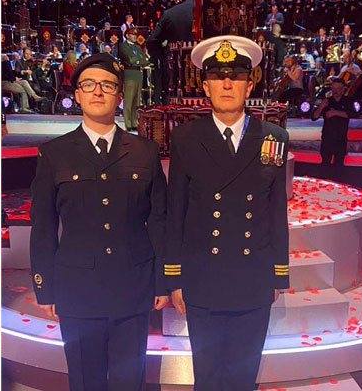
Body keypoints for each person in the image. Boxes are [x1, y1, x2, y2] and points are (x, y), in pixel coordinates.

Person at [30, 53, 168, 391]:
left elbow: (159, 221)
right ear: (77, 95)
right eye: (88, 84)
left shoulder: (145, 152)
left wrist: (162, 281)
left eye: (107, 85)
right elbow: (43, 225)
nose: (97, 91)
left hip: (132, 285)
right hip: (77, 288)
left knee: (129, 381)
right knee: (84, 380)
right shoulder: (54, 153)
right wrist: (45, 286)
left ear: (120, 95)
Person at [166, 36, 290, 390]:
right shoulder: (186, 138)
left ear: (249, 85)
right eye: (217, 77)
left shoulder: (274, 138)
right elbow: (177, 210)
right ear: (205, 86)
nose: (226, 84)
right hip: (203, 276)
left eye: (235, 77)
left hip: (253, 276)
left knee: (243, 377)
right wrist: (174, 276)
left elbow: (276, 211)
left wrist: (278, 274)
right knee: (207, 376)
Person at [312, 77, 358, 169]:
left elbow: (352, 113)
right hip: (327, 137)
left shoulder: (348, 101)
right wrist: (321, 106)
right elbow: (314, 117)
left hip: (340, 137)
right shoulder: (327, 101)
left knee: (339, 165)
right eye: (333, 89)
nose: (336, 91)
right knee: (325, 164)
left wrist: (335, 112)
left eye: (338, 89)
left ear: (343, 90)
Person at [119, 27, 147, 131]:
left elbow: (144, 60)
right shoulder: (123, 46)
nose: (135, 36)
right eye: (133, 34)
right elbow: (130, 60)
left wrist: (138, 61)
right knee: (129, 100)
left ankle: (135, 122)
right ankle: (128, 123)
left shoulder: (137, 47)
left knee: (137, 100)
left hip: (138, 74)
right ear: (127, 36)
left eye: (136, 35)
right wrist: (138, 61)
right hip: (129, 74)